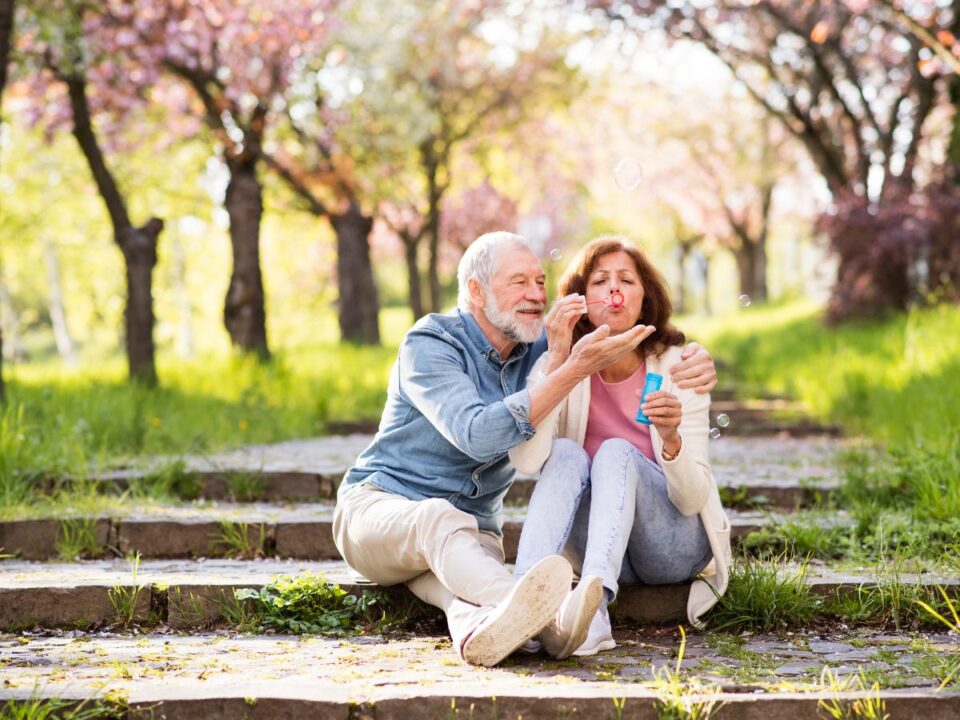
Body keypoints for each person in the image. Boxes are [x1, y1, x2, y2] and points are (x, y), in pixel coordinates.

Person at [333, 231, 718, 667]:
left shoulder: (541, 346)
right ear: (475, 291)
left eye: (540, 282)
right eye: (519, 283)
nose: (536, 295)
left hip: (473, 535)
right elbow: (477, 434)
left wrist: (698, 357)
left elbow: (598, 336)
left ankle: (486, 635)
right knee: (437, 521)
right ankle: (548, 614)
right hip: (380, 511)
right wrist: (566, 367)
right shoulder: (432, 343)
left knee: (458, 599)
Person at [510, 236, 733, 658]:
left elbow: (692, 500)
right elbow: (527, 460)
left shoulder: (679, 367)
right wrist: (558, 362)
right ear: (580, 300)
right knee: (564, 453)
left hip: (669, 546)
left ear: (643, 297)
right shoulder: (558, 366)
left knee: (614, 451)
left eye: (627, 279)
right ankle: (523, 605)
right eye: (599, 281)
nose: (614, 290)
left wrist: (672, 441)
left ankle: (593, 615)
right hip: (598, 542)